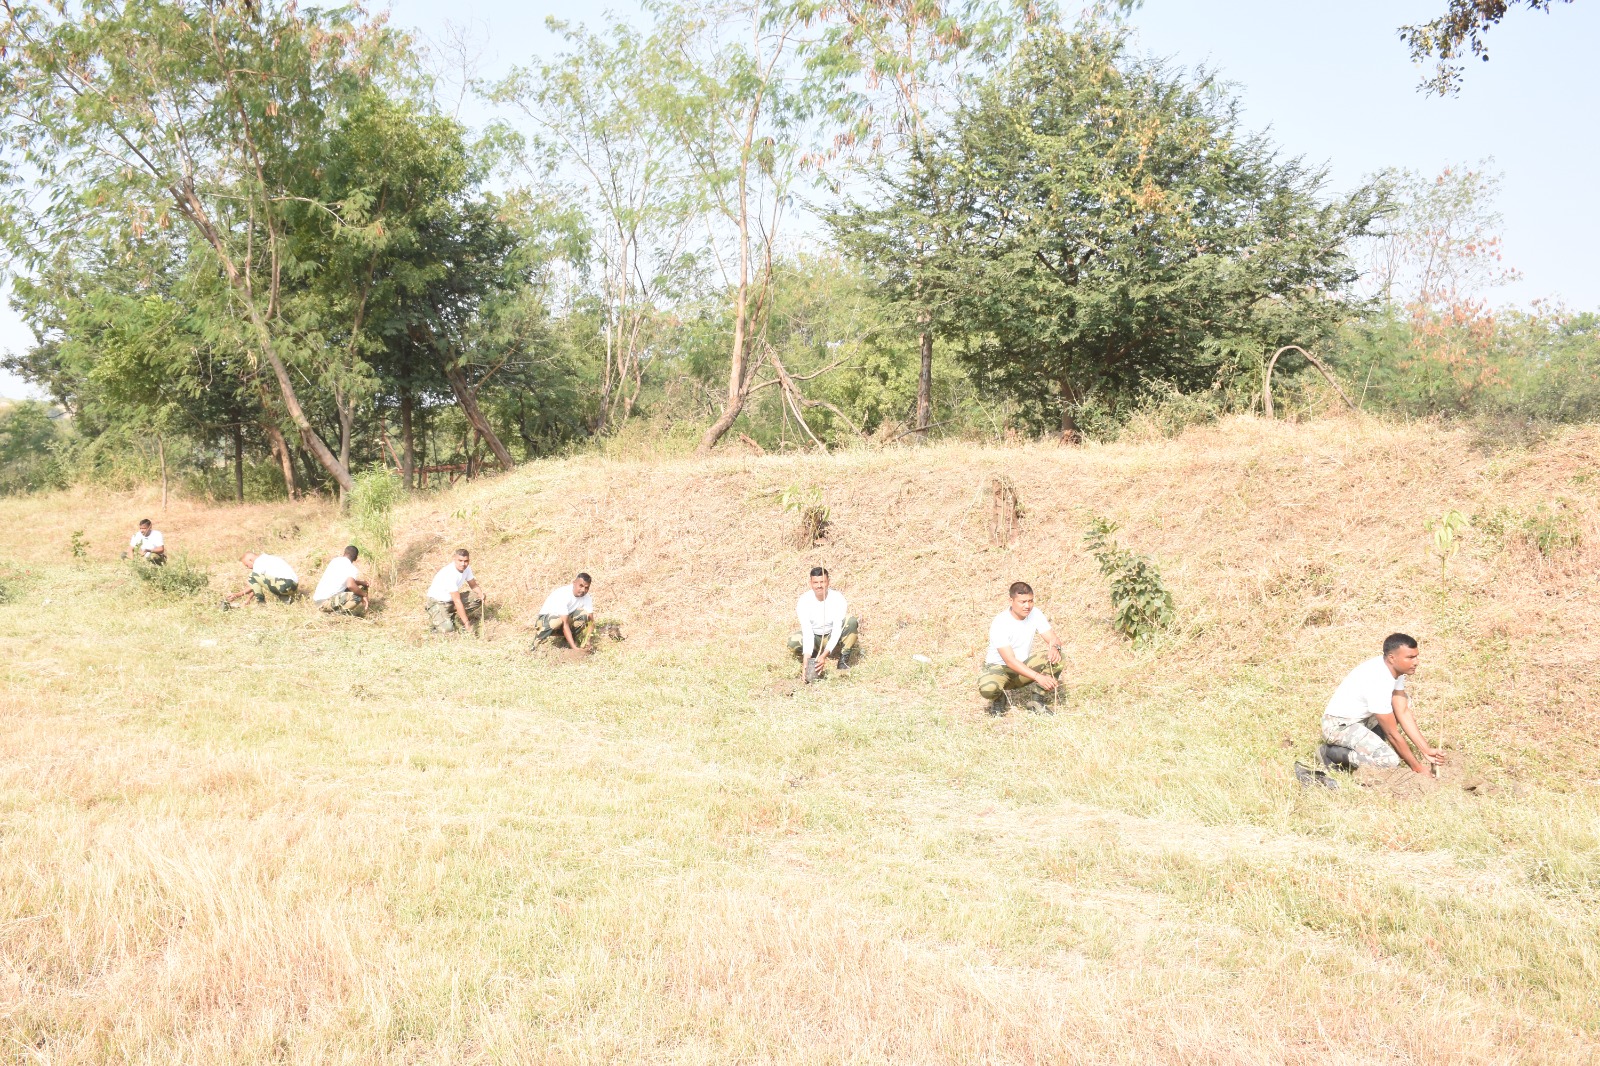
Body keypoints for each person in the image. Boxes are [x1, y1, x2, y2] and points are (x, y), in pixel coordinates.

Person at [1320, 633, 1447, 774]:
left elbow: (1402, 712)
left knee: (1403, 701)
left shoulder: (1394, 670)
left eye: (1416, 656)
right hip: (1338, 726)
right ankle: (1332, 754)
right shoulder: (1378, 679)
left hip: (1362, 720)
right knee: (1389, 761)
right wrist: (1418, 769)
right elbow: (1391, 733)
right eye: (1410, 657)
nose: (1416, 662)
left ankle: (1370, 744)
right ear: (1392, 658)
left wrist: (1425, 749)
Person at [978, 581, 1063, 713]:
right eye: (1022, 602)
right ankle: (999, 697)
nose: (1027, 606)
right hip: (999, 668)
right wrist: (1038, 677)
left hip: (1022, 666)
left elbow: (1053, 639)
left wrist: (1054, 647)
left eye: (1030, 601)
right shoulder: (1000, 622)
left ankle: (1037, 701)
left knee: (1058, 657)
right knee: (987, 689)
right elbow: (1010, 661)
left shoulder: (1035, 614)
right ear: (1011, 601)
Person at [787, 566, 859, 680]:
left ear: (828, 582)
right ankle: (814, 658)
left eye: (822, 582)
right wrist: (806, 662)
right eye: (815, 582)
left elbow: (836, 630)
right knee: (793, 642)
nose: (819, 585)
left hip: (832, 634)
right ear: (810, 583)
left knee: (851, 621)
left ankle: (843, 659)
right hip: (816, 637)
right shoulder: (804, 601)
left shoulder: (838, 598)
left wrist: (825, 655)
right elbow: (807, 632)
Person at [426, 548, 484, 635]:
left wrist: (481, 594)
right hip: (437, 602)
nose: (463, 564)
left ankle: (450, 616)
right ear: (454, 559)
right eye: (460, 560)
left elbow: (473, 585)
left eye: (466, 561)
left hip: (450, 600)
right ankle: (436, 619)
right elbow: (457, 601)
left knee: (478, 598)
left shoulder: (467, 568)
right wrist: (467, 624)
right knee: (448, 629)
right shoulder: (450, 574)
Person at [535, 573, 595, 649]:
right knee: (557, 621)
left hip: (561, 622)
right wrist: (574, 648)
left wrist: (588, 640)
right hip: (544, 621)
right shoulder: (564, 594)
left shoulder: (587, 597)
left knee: (584, 615)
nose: (583, 590)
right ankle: (538, 640)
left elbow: (591, 622)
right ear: (574, 583)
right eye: (581, 586)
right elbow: (564, 623)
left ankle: (567, 640)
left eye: (586, 588)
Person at [312, 545, 370, 617]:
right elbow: (350, 585)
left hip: (317, 601)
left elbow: (342, 580)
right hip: (326, 602)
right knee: (357, 596)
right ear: (355, 558)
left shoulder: (334, 561)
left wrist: (360, 582)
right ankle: (337, 614)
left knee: (354, 589)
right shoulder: (352, 568)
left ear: (344, 553)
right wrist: (364, 595)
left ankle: (330, 611)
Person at [225, 551, 299, 605]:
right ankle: (285, 599)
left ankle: (261, 603)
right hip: (293, 586)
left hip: (285, 584)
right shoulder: (268, 558)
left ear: (250, 560)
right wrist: (248, 600)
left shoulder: (258, 562)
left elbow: (253, 582)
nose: (248, 568)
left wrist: (238, 594)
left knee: (252, 576)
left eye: (247, 565)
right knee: (255, 577)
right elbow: (258, 584)